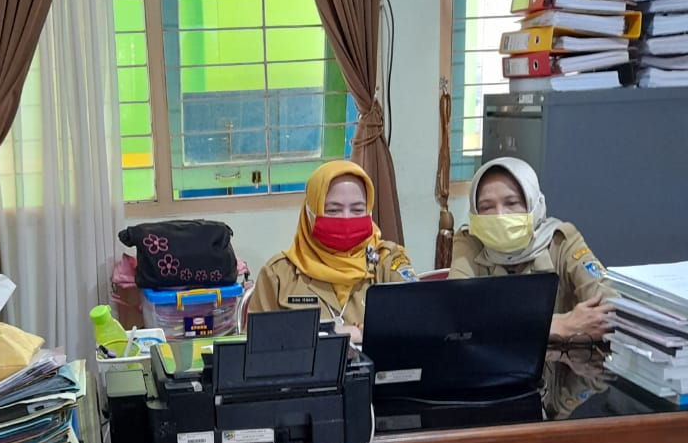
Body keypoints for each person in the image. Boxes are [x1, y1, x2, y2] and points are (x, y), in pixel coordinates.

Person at [248, 159, 416, 343]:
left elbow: (419, 325)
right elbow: (257, 343)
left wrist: (365, 334)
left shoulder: (386, 262)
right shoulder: (279, 275)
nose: (346, 219)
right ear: (310, 213)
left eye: (357, 210)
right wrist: (333, 332)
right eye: (333, 210)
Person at [449, 156, 612, 340]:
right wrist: (557, 325)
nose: (500, 215)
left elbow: (610, 307)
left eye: (512, 203)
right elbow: (454, 314)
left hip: (558, 358)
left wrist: (496, 324)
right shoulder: (470, 241)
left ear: (534, 203)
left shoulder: (562, 240)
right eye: (487, 207)